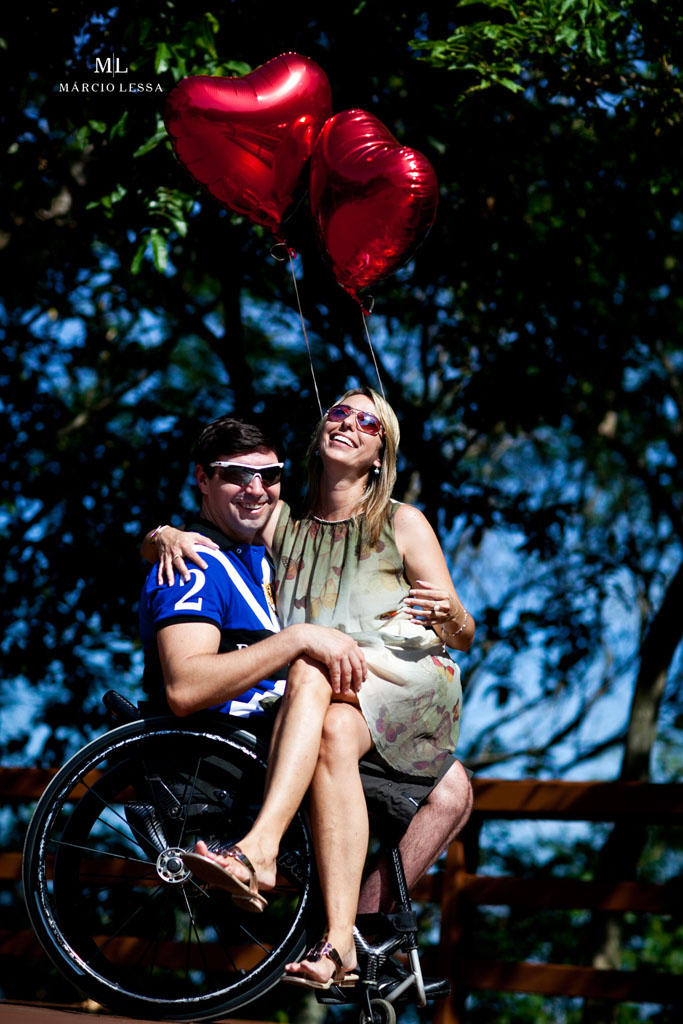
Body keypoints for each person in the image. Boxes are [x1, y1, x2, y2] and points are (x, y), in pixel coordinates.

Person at [146, 389, 474, 988]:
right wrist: (162, 535)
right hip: (333, 683)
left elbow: (466, 631)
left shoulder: (403, 521)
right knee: (325, 715)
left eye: (367, 420)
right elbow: (223, 511)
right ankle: (341, 947)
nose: (348, 423)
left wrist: (450, 614)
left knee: (309, 664)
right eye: (338, 413)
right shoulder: (284, 523)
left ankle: (259, 850)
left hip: (406, 680)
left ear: (381, 453)